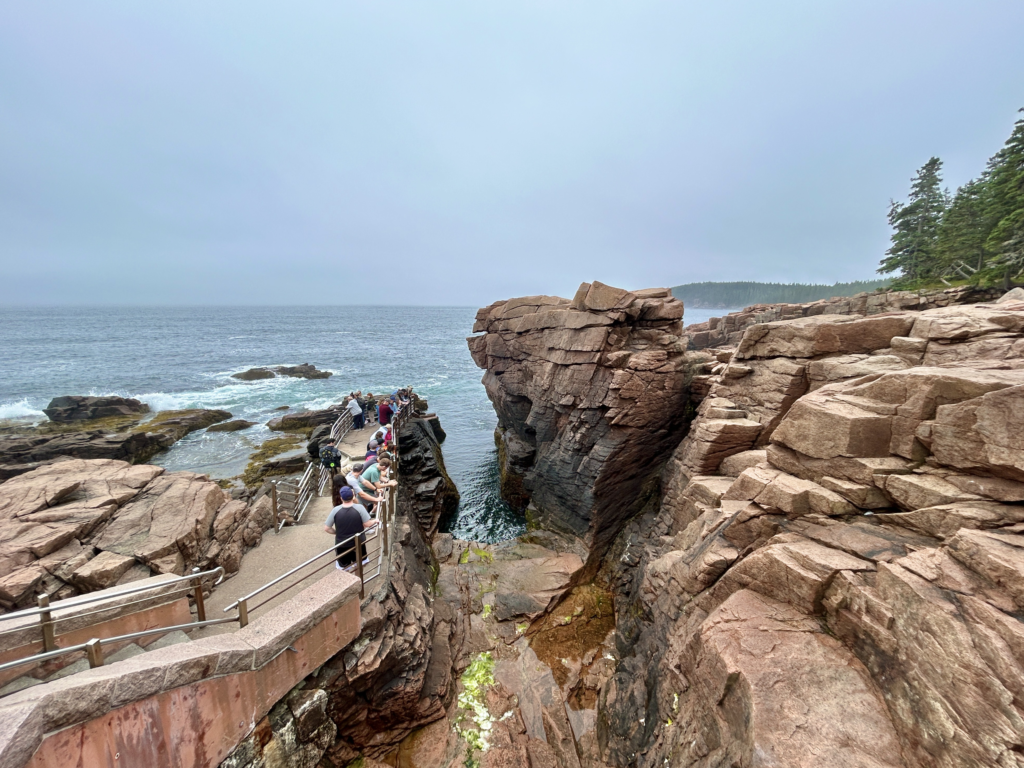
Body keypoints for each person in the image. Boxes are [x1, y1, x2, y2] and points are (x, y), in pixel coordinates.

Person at [324, 486, 376, 568]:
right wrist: (375, 521)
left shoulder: (335, 510)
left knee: (344, 568)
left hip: (342, 543)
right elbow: (367, 524)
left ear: (341, 498)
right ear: (353, 496)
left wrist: (337, 533)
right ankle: (358, 575)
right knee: (360, 565)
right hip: (358, 542)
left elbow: (327, 528)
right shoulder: (360, 508)